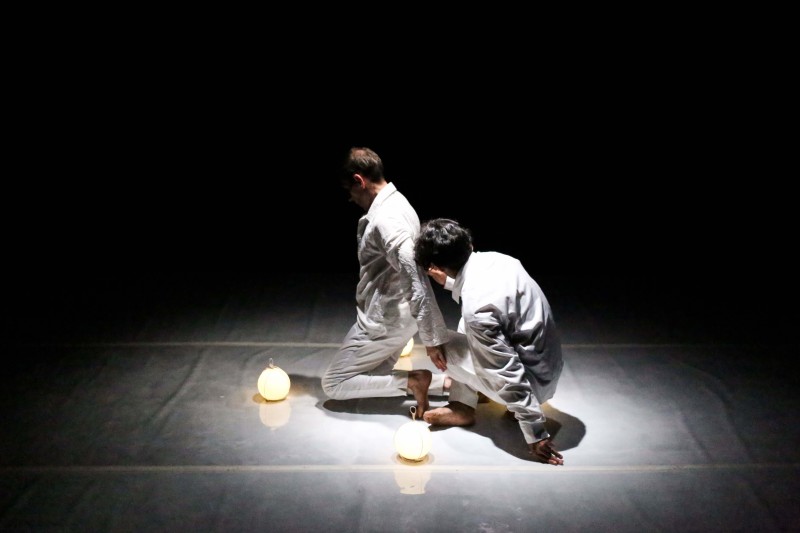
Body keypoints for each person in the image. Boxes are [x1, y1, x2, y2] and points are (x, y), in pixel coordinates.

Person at [413, 218, 565, 465]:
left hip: (529, 383)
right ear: (469, 244)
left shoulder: (478, 309)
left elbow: (507, 372)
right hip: (546, 368)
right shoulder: (502, 260)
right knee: (469, 327)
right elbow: (490, 299)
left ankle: (462, 406)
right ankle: (477, 393)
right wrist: (449, 282)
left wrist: (536, 433)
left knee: (442, 344)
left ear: (435, 265)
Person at [321, 147, 449, 416]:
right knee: (371, 376)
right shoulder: (399, 202)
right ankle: (452, 385)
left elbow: (414, 276)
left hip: (384, 321)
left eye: (350, 191)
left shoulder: (387, 219)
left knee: (334, 384)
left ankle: (415, 380)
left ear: (360, 180)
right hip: (394, 316)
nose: (351, 198)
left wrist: (431, 338)